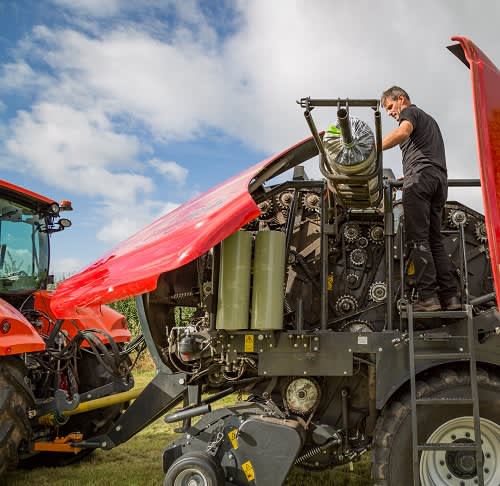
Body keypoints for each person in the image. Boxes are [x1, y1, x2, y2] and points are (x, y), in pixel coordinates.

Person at [381, 86, 461, 311]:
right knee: (435, 241)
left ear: (401, 99)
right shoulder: (430, 120)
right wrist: (411, 172)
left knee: (417, 239)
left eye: (390, 106)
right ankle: (451, 297)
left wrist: (372, 148)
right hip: (437, 181)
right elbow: (427, 152)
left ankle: (428, 298)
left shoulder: (410, 113)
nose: (389, 113)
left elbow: (403, 132)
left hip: (421, 180)